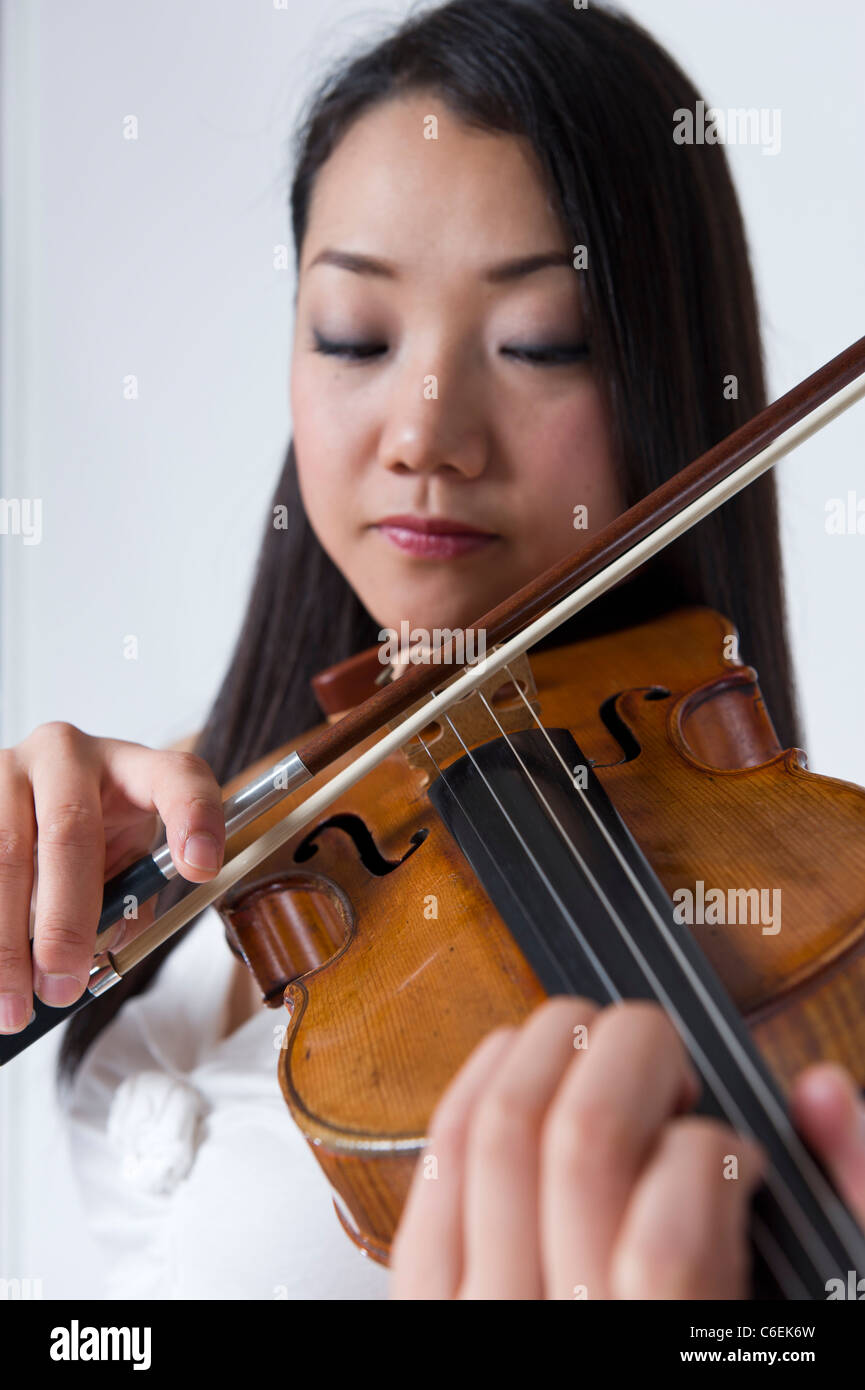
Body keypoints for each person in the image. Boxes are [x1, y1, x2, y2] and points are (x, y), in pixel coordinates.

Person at [3, 0, 863, 1300]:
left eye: (537, 346)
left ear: (666, 373)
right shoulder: (200, 821)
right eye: (352, 334)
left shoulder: (807, 936)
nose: (423, 431)